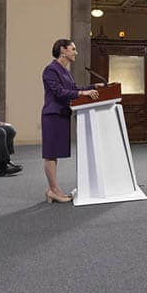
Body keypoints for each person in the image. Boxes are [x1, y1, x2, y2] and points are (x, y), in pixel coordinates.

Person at [42, 39, 100, 203]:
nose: (76, 52)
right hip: (53, 115)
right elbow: (59, 92)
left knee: (54, 154)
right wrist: (83, 94)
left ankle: (53, 189)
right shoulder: (51, 70)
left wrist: (94, 87)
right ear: (63, 50)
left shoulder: (65, 71)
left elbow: (73, 89)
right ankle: (53, 191)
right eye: (73, 49)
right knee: (50, 154)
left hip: (62, 115)